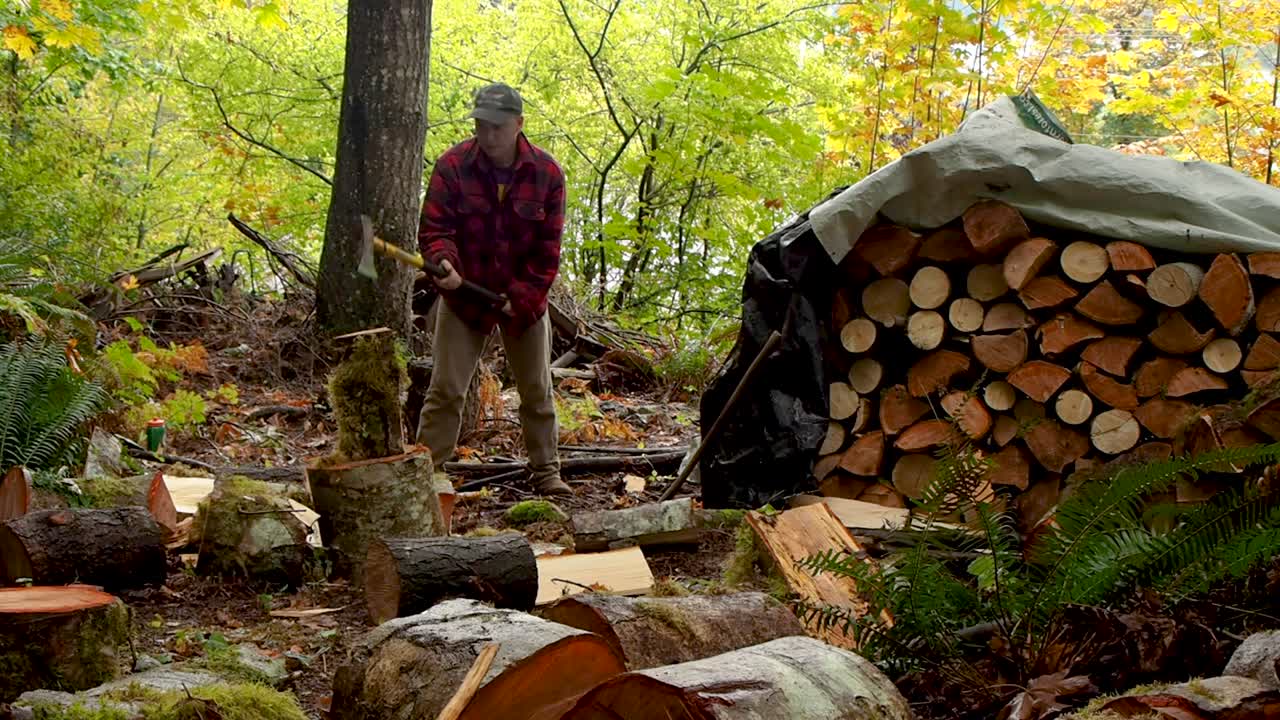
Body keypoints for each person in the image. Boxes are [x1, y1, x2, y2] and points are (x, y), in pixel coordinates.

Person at [415, 82, 571, 495]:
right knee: (446, 389)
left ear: (519, 124)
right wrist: (444, 263)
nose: (488, 136)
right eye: (482, 126)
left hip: (525, 304)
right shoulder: (452, 166)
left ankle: (546, 473)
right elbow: (434, 229)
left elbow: (547, 253)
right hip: (464, 298)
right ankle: (428, 475)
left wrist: (520, 299)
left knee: (537, 392)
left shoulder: (548, 175)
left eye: (497, 127)